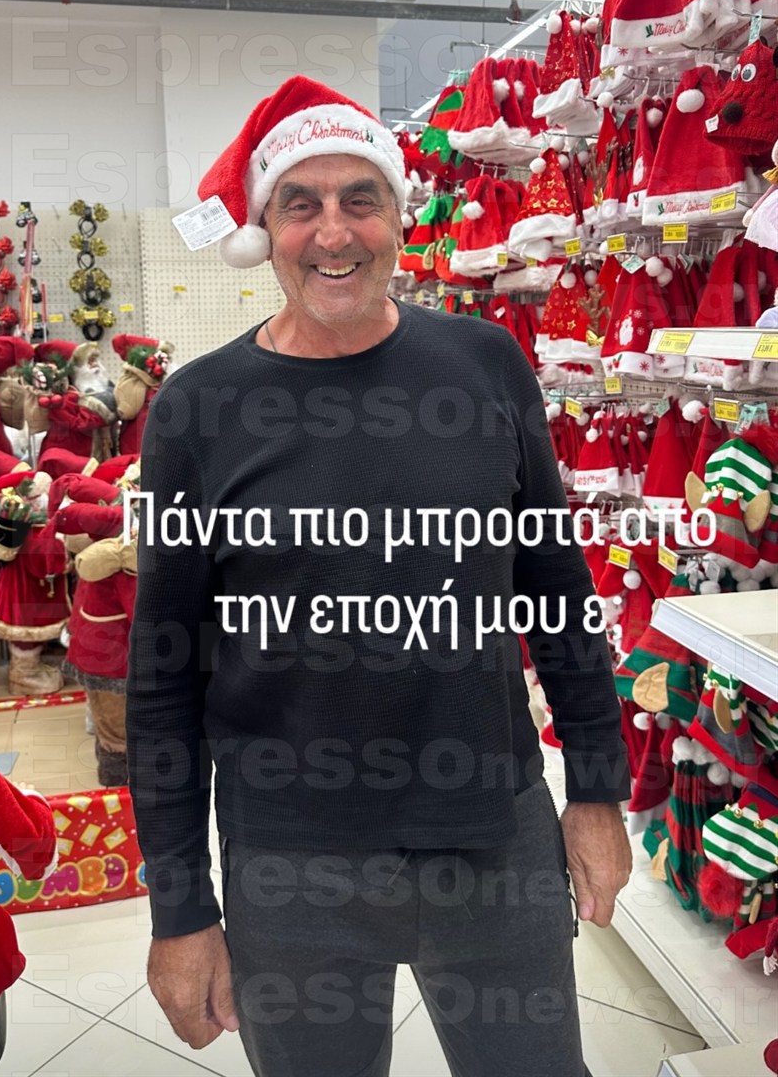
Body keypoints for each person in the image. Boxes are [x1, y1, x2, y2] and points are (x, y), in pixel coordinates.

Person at [127, 77, 632, 1077]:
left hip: (490, 837)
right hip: (290, 865)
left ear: (399, 218)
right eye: (299, 204)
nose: (332, 232)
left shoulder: (485, 364)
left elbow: (556, 587)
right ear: (266, 230)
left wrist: (595, 790)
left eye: (359, 198)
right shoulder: (198, 409)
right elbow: (163, 677)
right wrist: (180, 908)